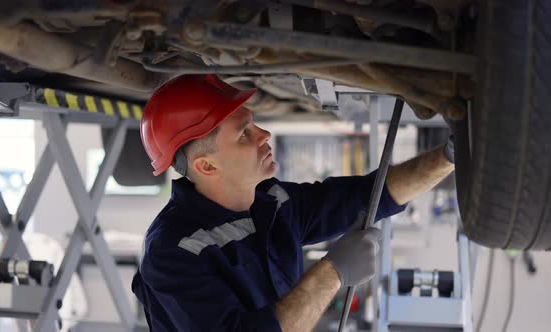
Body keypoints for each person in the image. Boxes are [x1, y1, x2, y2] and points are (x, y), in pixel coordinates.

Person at [131, 74, 455, 331]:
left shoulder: (271, 200)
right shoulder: (174, 252)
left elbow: (367, 196)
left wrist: (451, 157)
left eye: (253, 123)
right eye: (244, 134)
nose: (264, 135)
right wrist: (334, 272)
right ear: (207, 166)